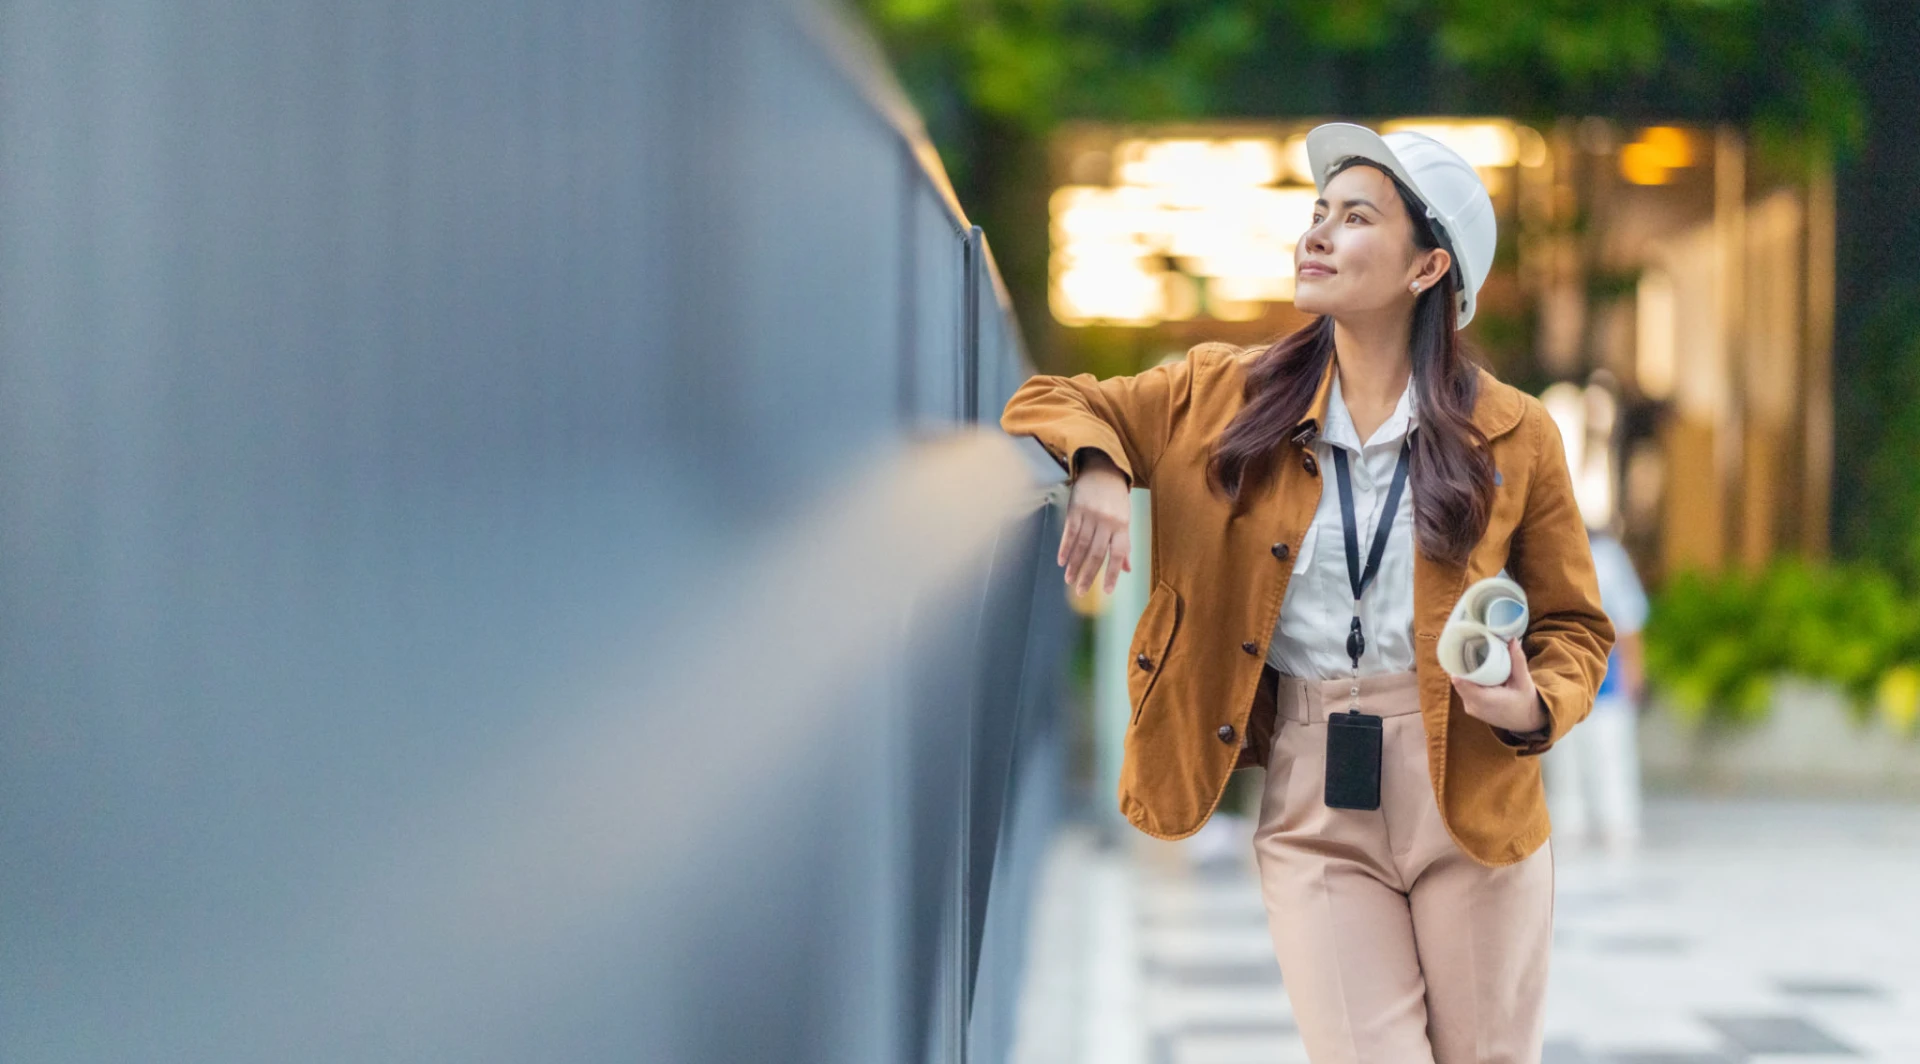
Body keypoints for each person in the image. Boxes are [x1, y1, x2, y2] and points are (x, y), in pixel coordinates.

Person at [1001, 123, 1614, 1064]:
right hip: (1315, 795)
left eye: (1355, 217)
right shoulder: (1221, 395)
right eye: (1317, 213)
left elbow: (1576, 622)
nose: (1316, 236)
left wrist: (1533, 701)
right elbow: (1051, 396)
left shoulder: (1515, 432)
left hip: (1475, 783)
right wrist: (1095, 466)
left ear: (1427, 268)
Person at [1544, 526, 1650, 855]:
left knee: (1611, 753)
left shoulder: (1607, 557)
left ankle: (1619, 822)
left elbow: (1629, 618)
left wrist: (1634, 672)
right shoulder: (1544, 551)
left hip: (1607, 679)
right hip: (1559, 676)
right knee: (1563, 759)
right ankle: (1569, 822)